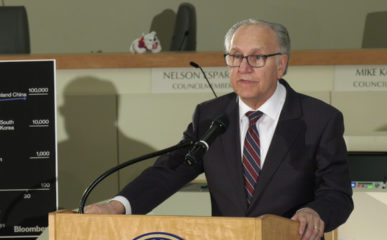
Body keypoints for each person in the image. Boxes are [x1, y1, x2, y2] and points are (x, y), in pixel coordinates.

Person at [85, 18, 353, 240]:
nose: (244, 68)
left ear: (280, 64)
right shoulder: (211, 116)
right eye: (236, 57)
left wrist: (315, 213)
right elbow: (170, 170)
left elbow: (337, 194)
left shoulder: (319, 119)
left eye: (257, 57)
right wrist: (118, 205)